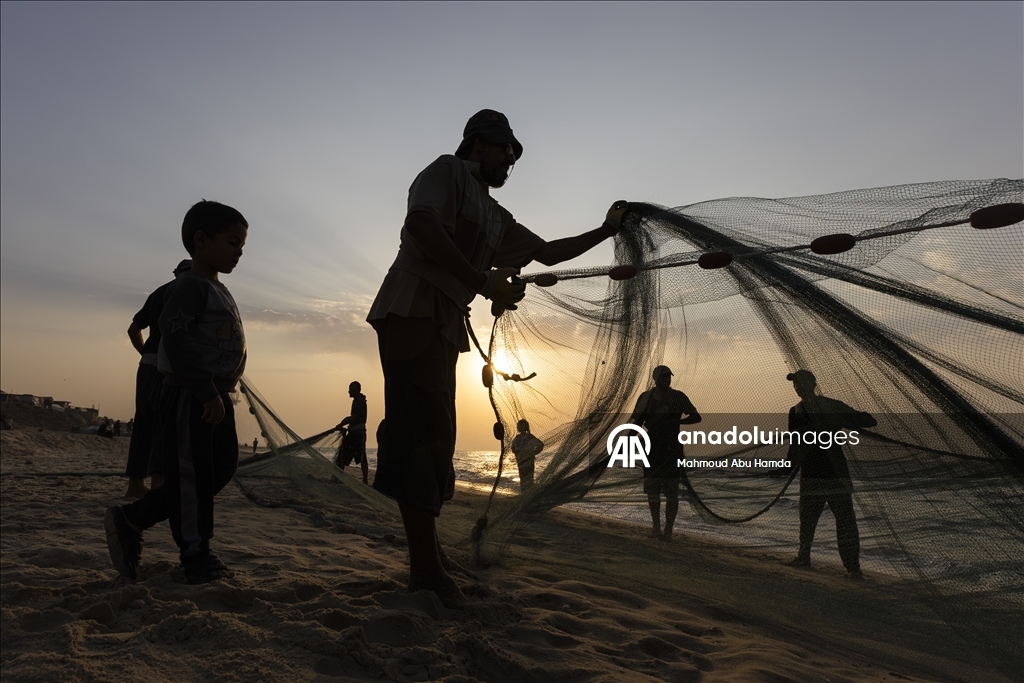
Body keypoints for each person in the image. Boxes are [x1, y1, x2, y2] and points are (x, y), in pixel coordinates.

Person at [366, 109, 627, 605]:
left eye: (515, 156)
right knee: (419, 432)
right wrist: (481, 280)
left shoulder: (495, 216)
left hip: (443, 321)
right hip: (411, 309)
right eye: (506, 151)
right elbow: (422, 226)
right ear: (478, 145)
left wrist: (606, 229)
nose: (511, 161)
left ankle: (430, 560)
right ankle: (424, 568)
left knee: (439, 437)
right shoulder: (446, 171)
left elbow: (548, 252)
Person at [104, 200, 248, 585]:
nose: (238, 251)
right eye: (231, 241)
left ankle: (135, 516)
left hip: (217, 396)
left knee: (221, 466)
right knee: (190, 473)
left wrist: (219, 392)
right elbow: (178, 340)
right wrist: (203, 391)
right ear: (201, 240)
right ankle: (195, 552)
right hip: (191, 395)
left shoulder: (219, 289)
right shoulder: (188, 286)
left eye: (242, 245)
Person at [783, 369, 876, 580]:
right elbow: (795, 446)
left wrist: (839, 419)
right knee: (807, 520)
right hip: (810, 473)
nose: (797, 387)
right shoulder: (795, 411)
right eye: (795, 384)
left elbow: (869, 420)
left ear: (813, 384)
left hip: (835, 473)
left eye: (801, 382)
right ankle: (803, 557)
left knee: (845, 521)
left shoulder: (831, 405)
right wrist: (786, 468)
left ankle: (854, 568)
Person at [124, 259, 192, 498]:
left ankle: (135, 485)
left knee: (143, 425)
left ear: (175, 273)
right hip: (170, 368)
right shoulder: (192, 293)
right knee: (166, 425)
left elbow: (133, 330)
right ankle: (159, 485)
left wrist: (146, 354)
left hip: (147, 366)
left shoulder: (157, 293)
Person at [629, 365, 702, 542]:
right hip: (651, 448)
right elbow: (637, 423)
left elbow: (696, 417)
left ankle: (668, 531)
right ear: (655, 379)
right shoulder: (646, 398)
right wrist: (628, 442)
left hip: (672, 449)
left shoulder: (678, 397)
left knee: (672, 492)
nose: (666, 380)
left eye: (668, 377)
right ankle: (656, 527)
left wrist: (676, 421)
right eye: (663, 377)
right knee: (653, 491)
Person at [335, 381, 369, 484]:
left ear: (357, 390)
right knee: (343, 454)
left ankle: (365, 480)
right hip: (353, 433)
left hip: (358, 434)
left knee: (361, 457)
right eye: (350, 389)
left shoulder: (360, 402)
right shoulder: (357, 401)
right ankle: (339, 477)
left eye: (352, 389)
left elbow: (354, 417)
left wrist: (342, 423)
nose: (349, 391)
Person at [510, 419, 543, 492]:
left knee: (525, 478)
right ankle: (526, 494)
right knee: (527, 478)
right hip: (524, 461)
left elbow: (540, 445)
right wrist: (533, 452)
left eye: (518, 425)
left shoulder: (526, 437)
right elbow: (513, 448)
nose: (517, 427)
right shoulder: (519, 437)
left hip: (526, 461)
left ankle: (526, 494)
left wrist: (533, 452)